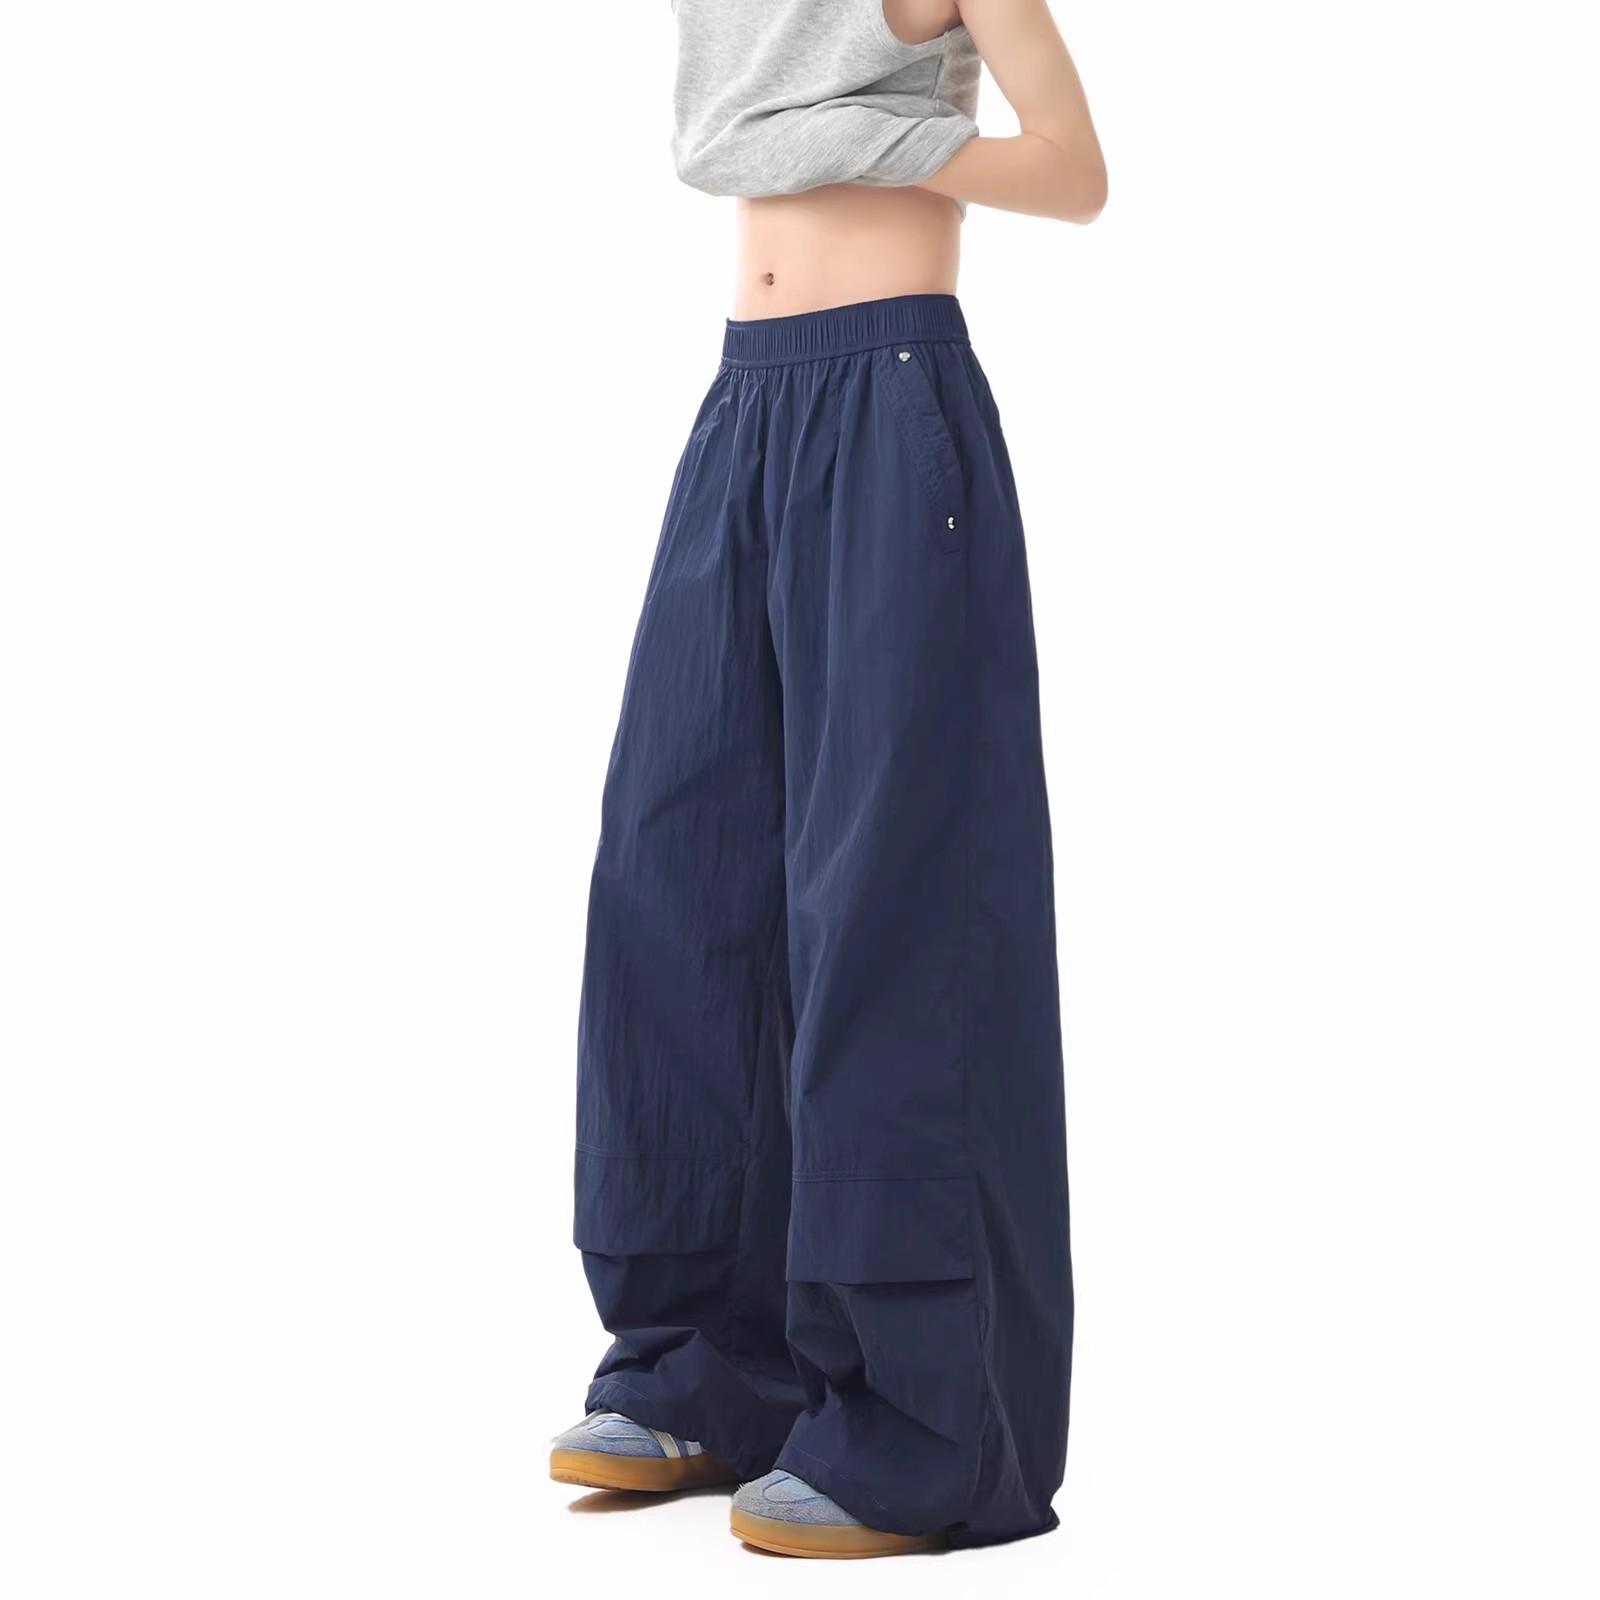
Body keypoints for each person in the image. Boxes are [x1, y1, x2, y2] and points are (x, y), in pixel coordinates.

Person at [550, 0, 1105, 1559]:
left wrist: (888, 137)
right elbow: (721, 128)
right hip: (746, 403)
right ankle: (705, 1371)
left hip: (893, 399)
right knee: (677, 878)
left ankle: (924, 1425)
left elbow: (1075, 172)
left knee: (887, 910)